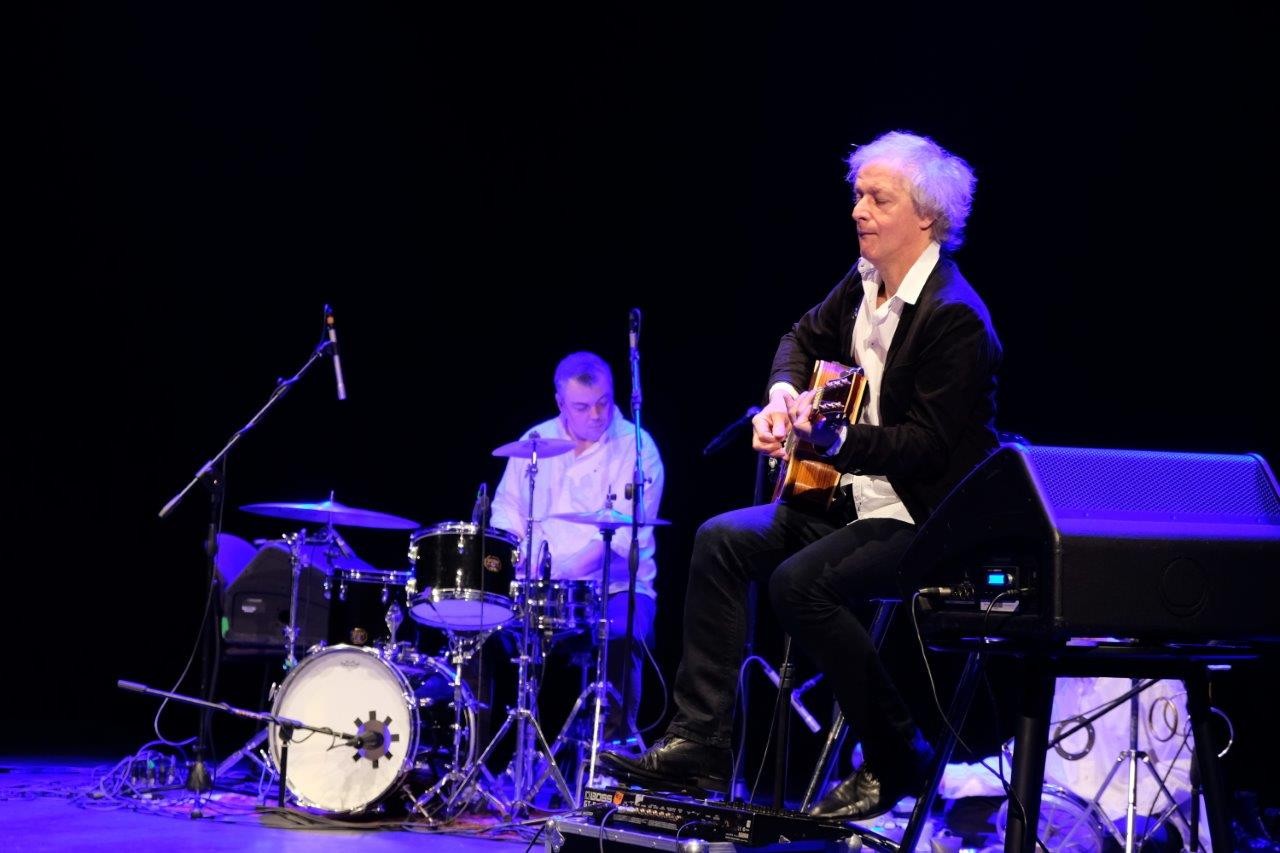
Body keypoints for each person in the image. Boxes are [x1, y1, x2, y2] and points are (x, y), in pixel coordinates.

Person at [602, 130, 1002, 820]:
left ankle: (897, 752)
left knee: (799, 584)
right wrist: (782, 398)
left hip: (924, 517)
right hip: (854, 500)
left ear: (927, 215)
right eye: (858, 195)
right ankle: (699, 742)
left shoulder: (955, 316)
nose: (858, 210)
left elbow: (927, 447)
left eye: (878, 199)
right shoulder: (863, 279)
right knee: (721, 539)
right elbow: (799, 338)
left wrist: (834, 439)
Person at [490, 350, 665, 743]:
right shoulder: (535, 441)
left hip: (616, 589)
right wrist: (516, 555)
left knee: (619, 635)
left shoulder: (638, 449)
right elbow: (506, 508)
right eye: (582, 407)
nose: (597, 415)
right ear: (561, 403)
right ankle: (496, 755)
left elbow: (620, 540)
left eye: (603, 402)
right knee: (483, 632)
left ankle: (613, 754)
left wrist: (558, 572)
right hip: (539, 589)